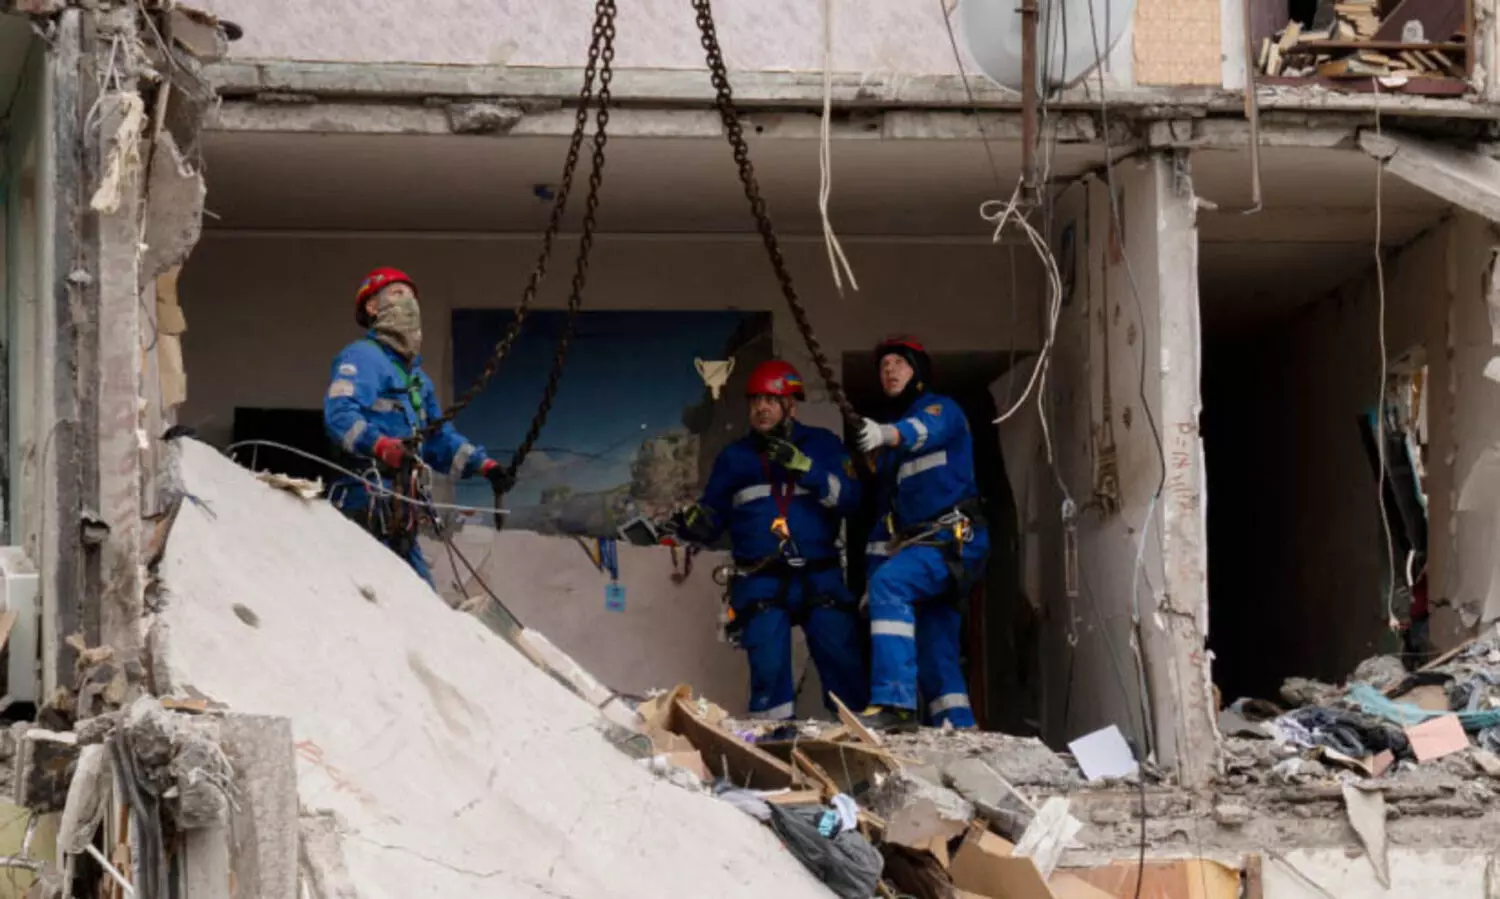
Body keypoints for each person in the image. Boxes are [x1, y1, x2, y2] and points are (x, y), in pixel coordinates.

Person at [670, 360, 869, 720]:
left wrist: (809, 470)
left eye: (771, 400)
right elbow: (713, 519)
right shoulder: (735, 458)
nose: (761, 408)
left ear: (791, 405)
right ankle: (773, 746)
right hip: (760, 578)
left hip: (819, 575)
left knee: (842, 663)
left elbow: (852, 501)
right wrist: (692, 524)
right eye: (755, 401)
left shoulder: (823, 445)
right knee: (769, 670)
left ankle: (859, 744)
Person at [323, 267, 510, 585]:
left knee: (420, 598)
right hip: (363, 502)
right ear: (372, 307)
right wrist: (380, 445)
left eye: (412, 297)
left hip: (400, 510)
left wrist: (484, 465)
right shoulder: (362, 358)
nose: (409, 303)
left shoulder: (417, 380)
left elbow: (438, 439)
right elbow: (340, 415)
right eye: (398, 294)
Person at [853, 336, 989, 730]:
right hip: (922, 547)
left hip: (951, 541)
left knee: (892, 585)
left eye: (899, 363)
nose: (889, 370)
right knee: (934, 646)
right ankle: (962, 731)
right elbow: (886, 521)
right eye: (883, 366)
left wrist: (885, 434)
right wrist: (872, 581)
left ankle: (894, 703)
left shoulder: (941, 410)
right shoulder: (893, 457)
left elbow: (921, 429)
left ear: (918, 371)